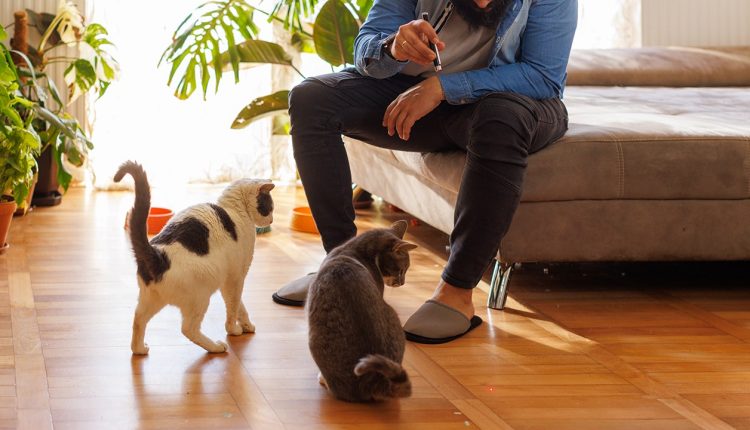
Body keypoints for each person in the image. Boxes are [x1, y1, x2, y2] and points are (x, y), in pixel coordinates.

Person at [273, 0, 578, 343]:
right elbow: (367, 46)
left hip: (508, 104)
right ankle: (345, 267)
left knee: (500, 119)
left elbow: (543, 75)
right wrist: (392, 47)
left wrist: (442, 88)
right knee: (311, 99)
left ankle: (457, 291)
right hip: (420, 99)